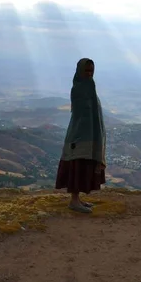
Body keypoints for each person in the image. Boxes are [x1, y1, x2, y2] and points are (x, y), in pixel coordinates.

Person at [55, 58, 107, 213]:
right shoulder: (79, 88)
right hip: (79, 137)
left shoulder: (90, 87)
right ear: (80, 71)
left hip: (89, 135)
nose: (89, 73)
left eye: (91, 71)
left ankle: (78, 200)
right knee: (77, 167)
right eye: (86, 70)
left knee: (84, 167)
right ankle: (74, 201)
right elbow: (81, 114)